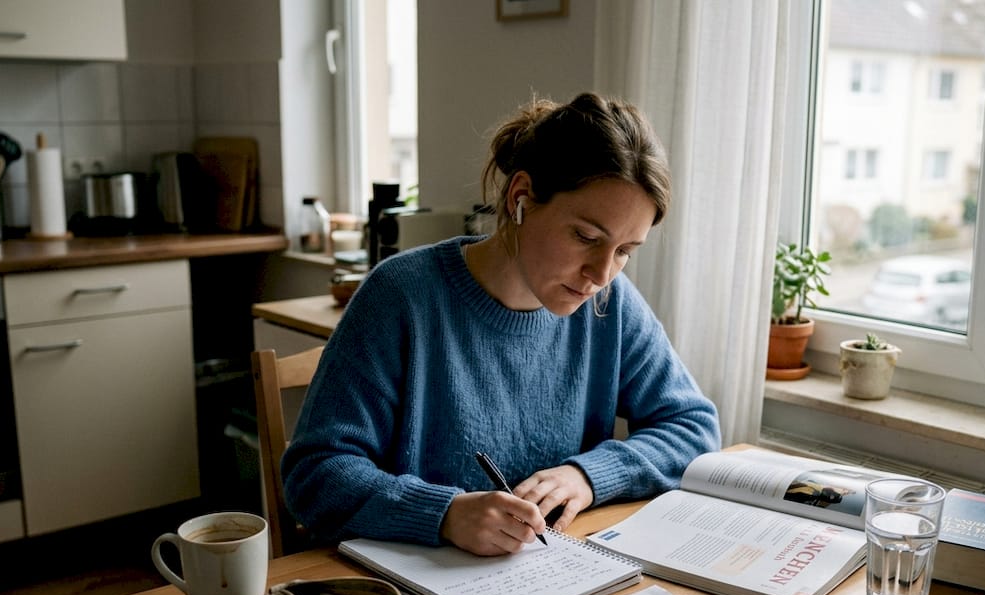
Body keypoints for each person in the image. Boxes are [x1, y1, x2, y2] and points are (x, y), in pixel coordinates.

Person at [281, 92, 721, 556]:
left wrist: (589, 476)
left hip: (548, 581)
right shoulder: (401, 297)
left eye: (625, 251)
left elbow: (693, 425)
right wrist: (444, 514)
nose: (601, 274)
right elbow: (315, 473)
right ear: (520, 198)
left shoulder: (610, 303)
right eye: (586, 237)